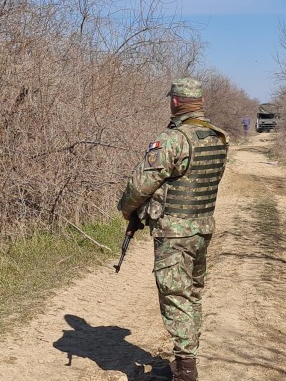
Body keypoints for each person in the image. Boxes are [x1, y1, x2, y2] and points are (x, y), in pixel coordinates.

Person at [118, 77, 229, 381]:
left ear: (176, 101)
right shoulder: (219, 137)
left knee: (175, 295)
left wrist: (127, 209)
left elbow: (141, 183)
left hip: (175, 233)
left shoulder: (173, 139)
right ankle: (184, 362)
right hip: (202, 229)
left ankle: (185, 371)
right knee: (191, 293)